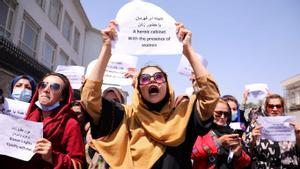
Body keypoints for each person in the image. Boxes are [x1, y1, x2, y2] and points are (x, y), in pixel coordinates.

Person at [81, 21, 220, 169]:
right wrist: (106, 50)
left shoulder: (184, 115)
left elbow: (210, 96)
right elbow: (89, 99)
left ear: (168, 85)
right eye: (145, 79)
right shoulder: (126, 116)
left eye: (159, 77)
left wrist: (188, 51)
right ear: (139, 89)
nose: (152, 80)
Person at [0, 72, 85, 169]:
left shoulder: (70, 123)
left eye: (55, 87)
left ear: (62, 97)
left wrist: (51, 157)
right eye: (43, 85)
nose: (46, 89)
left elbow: (78, 164)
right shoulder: (26, 115)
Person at [244, 94, 300, 168]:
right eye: (271, 106)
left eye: (278, 106)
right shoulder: (256, 125)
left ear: (283, 108)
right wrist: (253, 139)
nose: (275, 109)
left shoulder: (291, 125)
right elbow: (246, 152)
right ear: (266, 108)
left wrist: (298, 136)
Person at [192, 99, 251, 169]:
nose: (222, 117)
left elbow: (245, 162)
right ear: (210, 112)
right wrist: (218, 143)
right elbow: (193, 153)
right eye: (218, 113)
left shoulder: (232, 132)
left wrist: (239, 154)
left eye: (226, 114)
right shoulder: (200, 131)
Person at [85, 87, 127, 169]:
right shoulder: (90, 129)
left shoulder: (129, 128)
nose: (111, 104)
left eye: (116, 101)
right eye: (106, 101)